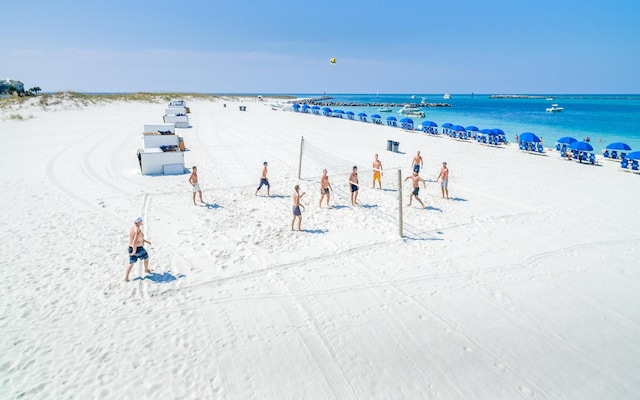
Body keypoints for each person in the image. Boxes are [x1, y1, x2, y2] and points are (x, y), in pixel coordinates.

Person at [124, 217, 152, 282]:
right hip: (137, 249)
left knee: (131, 263)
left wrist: (146, 241)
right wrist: (134, 250)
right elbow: (134, 241)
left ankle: (126, 278)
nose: (142, 222)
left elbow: (138, 239)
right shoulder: (137, 230)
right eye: (141, 221)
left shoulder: (133, 228)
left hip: (130, 248)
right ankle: (146, 269)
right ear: (138, 222)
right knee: (146, 257)